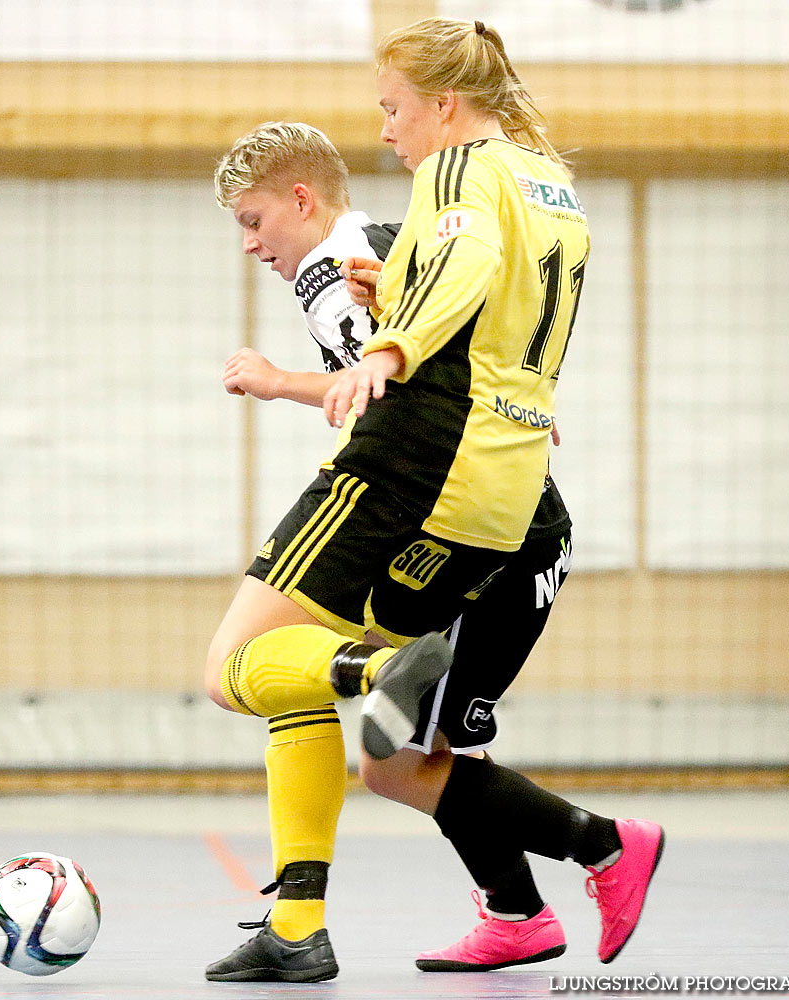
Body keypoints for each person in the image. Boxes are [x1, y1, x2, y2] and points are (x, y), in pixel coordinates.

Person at [204, 15, 662, 980]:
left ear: (441, 104)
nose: (386, 130)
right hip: (503, 474)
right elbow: (488, 291)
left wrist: (388, 345)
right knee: (397, 759)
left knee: (243, 665)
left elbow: (457, 270)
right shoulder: (547, 180)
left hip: (435, 466)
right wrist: (402, 296)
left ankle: (384, 678)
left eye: (392, 108)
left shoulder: (453, 173)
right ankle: (518, 898)